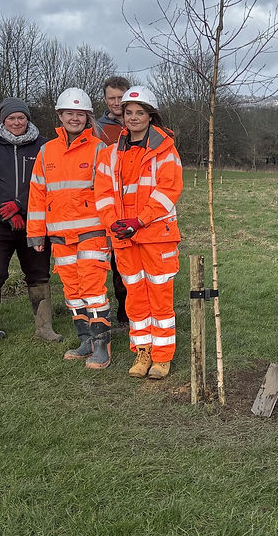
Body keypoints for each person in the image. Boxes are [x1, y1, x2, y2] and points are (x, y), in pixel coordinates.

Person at [95, 86, 183, 380]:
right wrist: (114, 223)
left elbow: (168, 191)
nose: (133, 118)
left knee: (160, 297)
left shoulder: (165, 150)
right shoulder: (109, 155)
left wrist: (139, 220)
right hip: (125, 237)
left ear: (150, 116)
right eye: (128, 112)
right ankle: (142, 351)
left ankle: (162, 356)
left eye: (140, 113)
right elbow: (104, 194)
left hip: (157, 236)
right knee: (135, 297)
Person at [27, 88, 112, 370]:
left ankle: (102, 346)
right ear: (60, 116)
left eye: (80, 114)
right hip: (60, 236)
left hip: (93, 232)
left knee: (93, 289)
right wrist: (36, 233)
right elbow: (38, 194)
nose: (74, 118)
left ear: (87, 117)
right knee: (73, 291)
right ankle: (85, 340)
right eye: (69, 113)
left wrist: (110, 231)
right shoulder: (46, 151)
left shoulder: (99, 149)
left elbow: (108, 194)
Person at [0, 97, 62, 352]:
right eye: (11, 118)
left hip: (33, 222)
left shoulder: (44, 147)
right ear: (3, 120)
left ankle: (44, 328)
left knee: (39, 274)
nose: (16, 122)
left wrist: (20, 206)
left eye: (21, 117)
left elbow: (46, 181)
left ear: (28, 119)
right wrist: (7, 211)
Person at [93, 75, 132, 334]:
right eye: (112, 98)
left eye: (121, 97)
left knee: (133, 259)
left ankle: (133, 309)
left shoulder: (142, 121)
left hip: (135, 200)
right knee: (114, 259)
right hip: (108, 200)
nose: (116, 102)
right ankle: (116, 310)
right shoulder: (99, 128)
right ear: (105, 100)